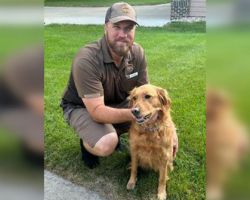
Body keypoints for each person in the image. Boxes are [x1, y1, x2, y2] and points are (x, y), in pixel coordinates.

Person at [60, 2, 178, 169]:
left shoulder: (137, 53)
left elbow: (148, 96)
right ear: (105, 27)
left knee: (149, 118)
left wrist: (170, 127)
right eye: (117, 27)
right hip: (83, 107)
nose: (123, 34)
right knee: (107, 142)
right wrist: (137, 114)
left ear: (134, 31)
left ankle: (110, 130)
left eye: (129, 28)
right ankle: (88, 142)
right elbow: (97, 112)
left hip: (118, 102)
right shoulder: (86, 59)